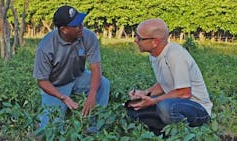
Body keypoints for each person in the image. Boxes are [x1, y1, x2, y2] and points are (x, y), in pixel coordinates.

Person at [126, 18, 213, 135]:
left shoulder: (175, 55)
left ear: (155, 42)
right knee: (132, 108)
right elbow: (163, 83)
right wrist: (145, 93)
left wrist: (154, 101)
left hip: (197, 107)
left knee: (166, 107)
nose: (135, 40)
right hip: (176, 103)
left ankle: (180, 134)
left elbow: (184, 93)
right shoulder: (154, 55)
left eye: (140, 38)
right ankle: (162, 129)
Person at [33, 5, 110, 133]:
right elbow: (42, 81)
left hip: (78, 76)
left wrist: (92, 94)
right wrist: (63, 97)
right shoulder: (46, 46)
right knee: (52, 131)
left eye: (81, 22)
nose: (81, 27)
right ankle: (43, 120)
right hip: (56, 85)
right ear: (64, 29)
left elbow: (96, 68)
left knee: (103, 84)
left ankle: (95, 128)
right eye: (76, 25)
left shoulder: (88, 36)